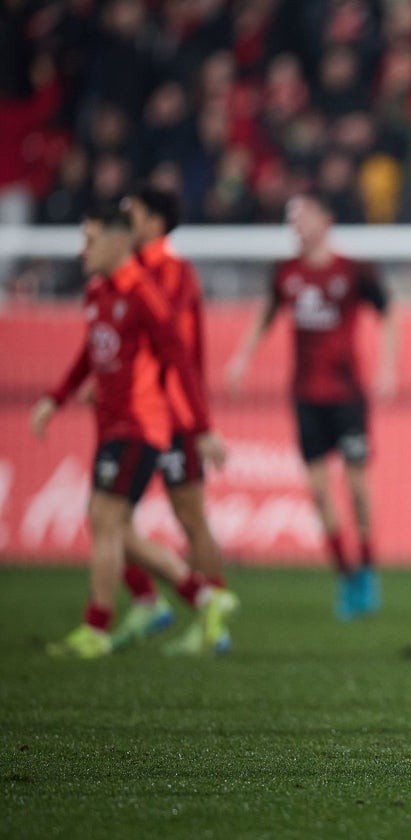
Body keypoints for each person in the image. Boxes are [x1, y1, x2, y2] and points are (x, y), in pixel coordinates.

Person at [30, 204, 235, 658]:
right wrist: (57, 396)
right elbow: (92, 352)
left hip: (141, 425)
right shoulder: (98, 291)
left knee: (107, 520)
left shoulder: (145, 293)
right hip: (110, 423)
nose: (82, 249)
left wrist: (201, 427)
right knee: (116, 527)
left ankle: (98, 627)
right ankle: (202, 597)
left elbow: (179, 358)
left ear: (118, 242)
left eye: (90, 239)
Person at [226, 193, 396, 620]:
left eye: (302, 216)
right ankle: (345, 575)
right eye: (291, 218)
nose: (296, 225)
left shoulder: (352, 270)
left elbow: (388, 311)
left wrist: (388, 368)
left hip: (348, 395)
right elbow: (266, 312)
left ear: (325, 218)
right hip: (305, 395)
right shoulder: (286, 273)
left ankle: (368, 566)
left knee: (356, 487)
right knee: (320, 492)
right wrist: (242, 357)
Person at [105, 183, 234, 654]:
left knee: (187, 516)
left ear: (154, 221)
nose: (125, 220)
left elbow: (175, 353)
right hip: (137, 415)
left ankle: (211, 618)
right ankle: (150, 599)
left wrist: (197, 426)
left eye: (132, 212)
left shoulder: (173, 273)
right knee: (109, 515)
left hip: (172, 416)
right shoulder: (128, 272)